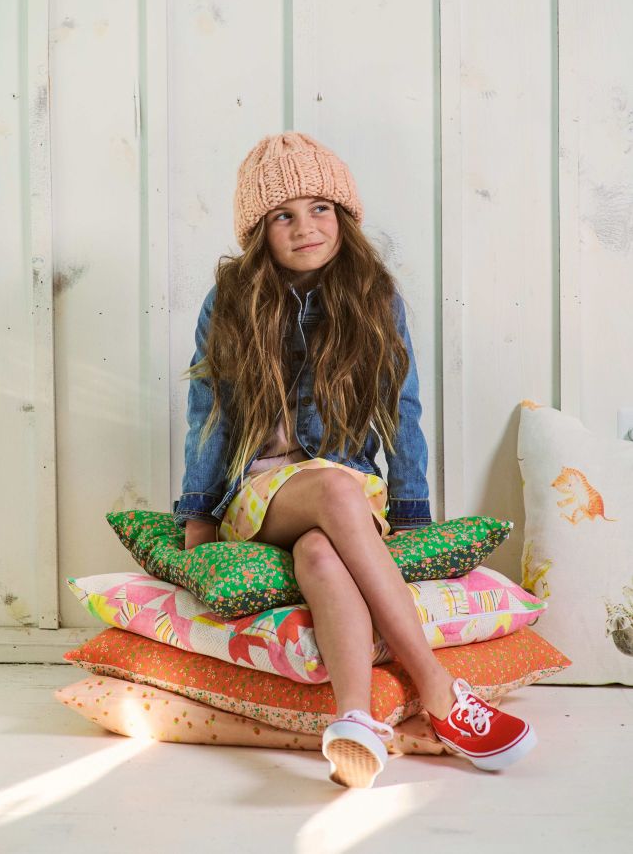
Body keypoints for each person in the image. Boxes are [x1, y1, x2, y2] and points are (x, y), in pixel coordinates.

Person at [174, 132, 537, 788]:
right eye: (283, 215)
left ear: (344, 216)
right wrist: (197, 514)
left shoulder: (374, 296)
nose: (305, 227)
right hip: (260, 491)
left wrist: (410, 511)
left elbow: (403, 411)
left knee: (319, 553)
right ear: (260, 231)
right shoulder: (228, 301)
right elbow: (210, 415)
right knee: (333, 496)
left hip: (348, 483)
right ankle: (438, 687)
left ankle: (354, 723)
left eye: (321, 209)